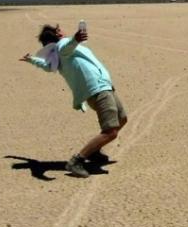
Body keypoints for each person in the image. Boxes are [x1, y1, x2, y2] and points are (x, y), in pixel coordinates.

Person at [20, 22, 128, 178]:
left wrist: (31, 59)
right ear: (58, 34)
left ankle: (94, 151)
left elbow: (48, 66)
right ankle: (77, 161)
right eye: (59, 30)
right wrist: (75, 40)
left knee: (122, 119)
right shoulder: (63, 46)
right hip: (97, 89)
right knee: (111, 131)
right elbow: (67, 48)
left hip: (103, 87)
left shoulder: (56, 56)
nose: (62, 30)